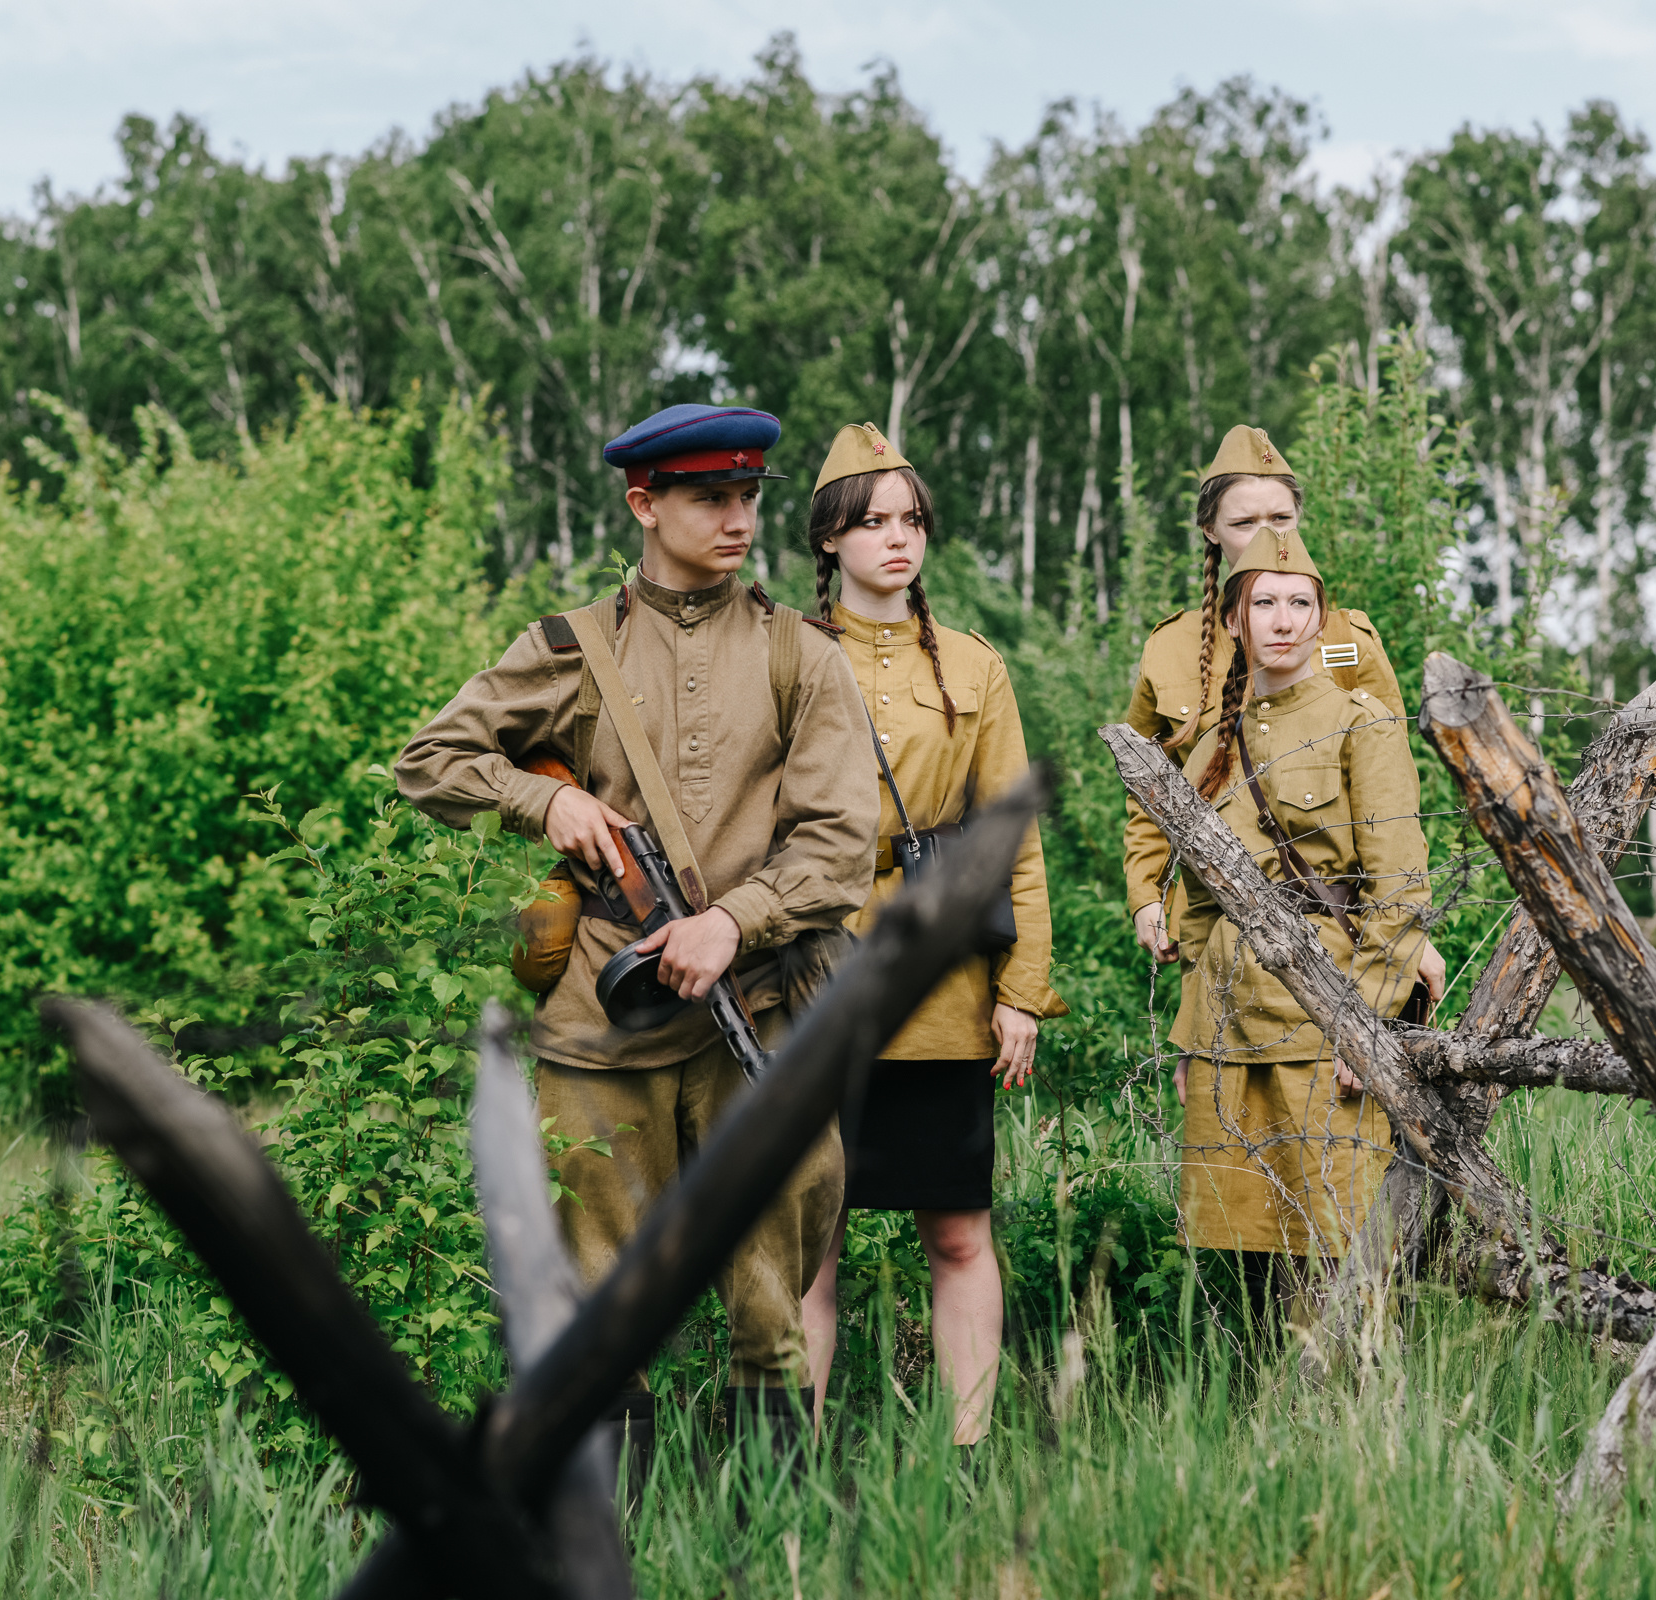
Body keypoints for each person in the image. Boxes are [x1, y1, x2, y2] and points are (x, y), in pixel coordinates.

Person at [395, 403, 879, 1461]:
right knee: (603, 1304)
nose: (738, 518)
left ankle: (770, 1540)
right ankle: (610, 1540)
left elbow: (842, 846)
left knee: (769, 1302)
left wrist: (732, 922)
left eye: (750, 497)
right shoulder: (571, 648)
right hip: (600, 1026)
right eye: (712, 497)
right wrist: (544, 802)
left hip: (758, 1010)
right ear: (644, 504)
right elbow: (427, 762)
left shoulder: (802, 654)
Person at [792, 423, 1063, 1447]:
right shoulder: (785, 652)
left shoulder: (975, 667)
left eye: (909, 520)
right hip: (811, 987)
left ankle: (969, 1455)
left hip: (942, 993)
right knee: (809, 1246)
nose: (895, 540)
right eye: (870, 522)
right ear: (828, 540)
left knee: (956, 1229)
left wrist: (1020, 991)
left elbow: (1012, 842)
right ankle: (791, 1463)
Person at [1166, 524, 1436, 1334]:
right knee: (1253, 1235)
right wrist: (1192, 1039)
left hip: (1325, 1013)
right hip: (1231, 1019)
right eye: (1265, 604)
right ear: (1236, 621)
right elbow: (1200, 908)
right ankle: (1274, 1418)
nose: (1282, 619)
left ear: (1321, 620)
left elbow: (1399, 889)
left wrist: (1366, 1023)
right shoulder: (1213, 745)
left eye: (1299, 604)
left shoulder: (1364, 724)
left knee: (1337, 1235)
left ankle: (1348, 1415)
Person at [1121, 425, 1412, 973]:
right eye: (1243, 522)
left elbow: (1392, 808)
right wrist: (1147, 895)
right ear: (1210, 530)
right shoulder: (1170, 649)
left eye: (1279, 518)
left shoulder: (1344, 638)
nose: (1263, 534)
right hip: (1214, 928)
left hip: (1336, 935)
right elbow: (1146, 789)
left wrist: (1404, 937)